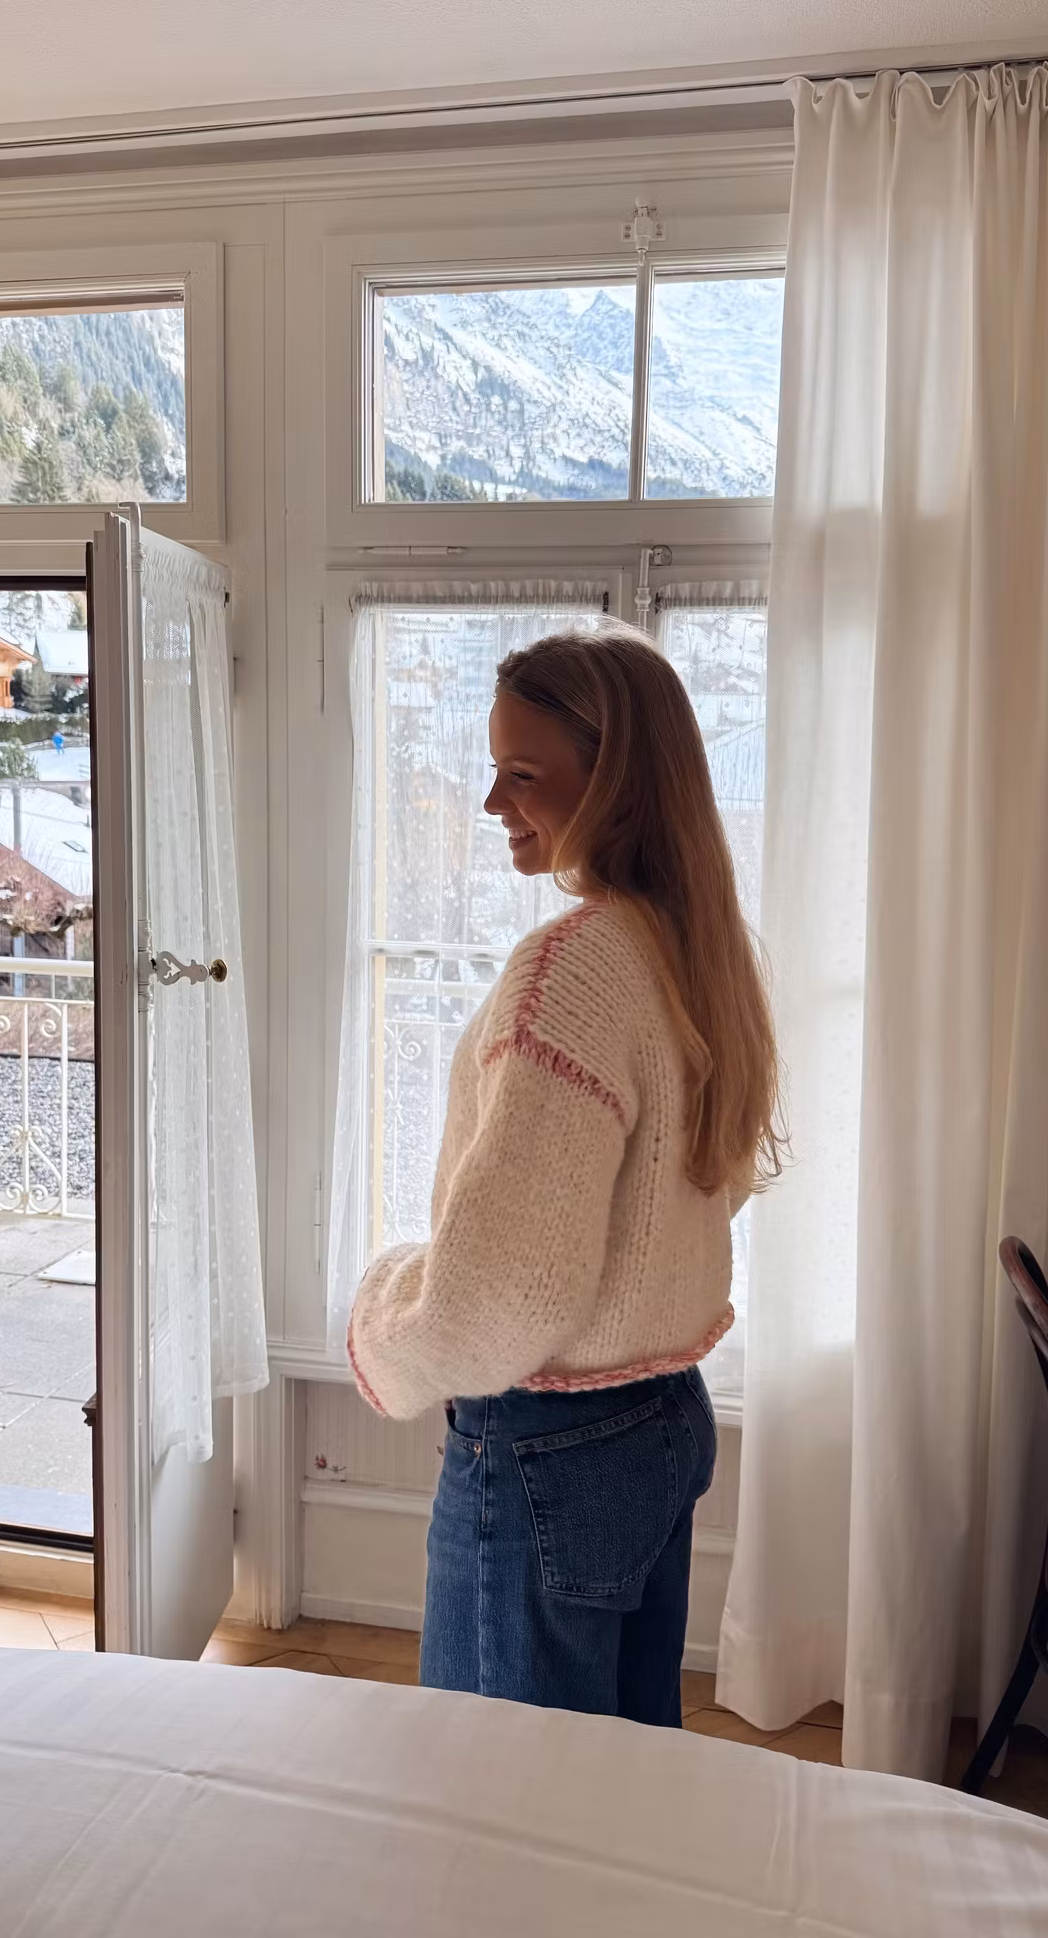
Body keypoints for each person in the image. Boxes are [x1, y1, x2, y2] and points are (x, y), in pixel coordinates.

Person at [348, 623, 782, 1724]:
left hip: (550, 1450)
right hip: (661, 1420)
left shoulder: (573, 970)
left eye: (522, 773)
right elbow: (705, 1186)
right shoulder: (696, 949)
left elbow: (503, 1298)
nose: (492, 801)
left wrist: (383, 1328)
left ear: (616, 780)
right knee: (620, 1773)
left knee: (496, 1786)